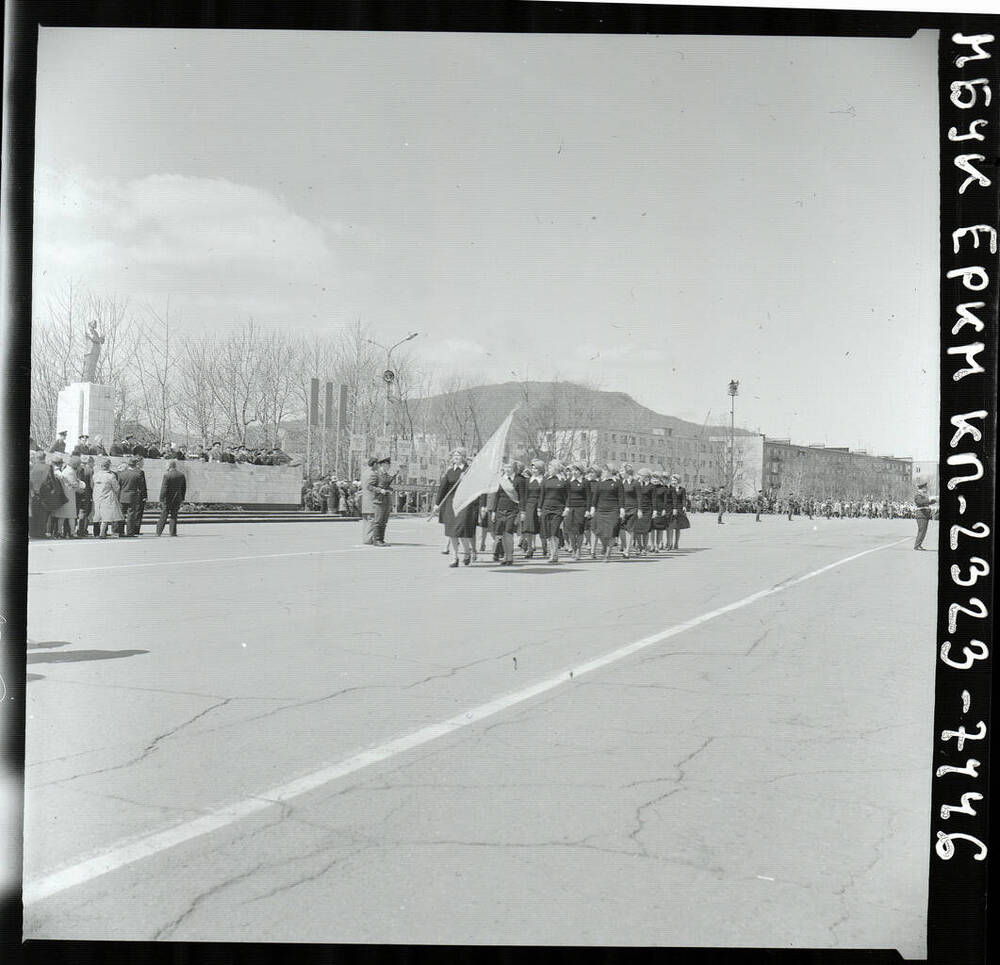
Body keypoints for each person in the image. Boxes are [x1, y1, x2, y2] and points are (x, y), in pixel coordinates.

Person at [433, 448, 476, 567]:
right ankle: (455, 557)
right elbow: (443, 488)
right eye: (454, 455)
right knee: (452, 531)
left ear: (463, 457)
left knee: (461, 531)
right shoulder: (450, 471)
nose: (455, 457)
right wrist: (437, 504)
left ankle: (467, 552)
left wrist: (466, 480)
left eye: (458, 455)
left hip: (464, 503)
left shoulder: (469, 471)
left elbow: (475, 487)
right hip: (451, 503)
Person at [489, 461, 524, 566]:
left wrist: (522, 512)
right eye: (505, 467)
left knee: (509, 533)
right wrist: (494, 511)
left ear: (514, 468)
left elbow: (522, 497)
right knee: (501, 534)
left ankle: (510, 556)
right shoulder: (501, 480)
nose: (507, 469)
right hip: (500, 509)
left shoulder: (519, 480)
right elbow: (496, 496)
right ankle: (505, 555)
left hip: (513, 510)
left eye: (509, 467)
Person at [589, 464, 623, 562]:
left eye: (605, 470)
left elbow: (621, 497)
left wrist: (622, 510)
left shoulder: (617, 482)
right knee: (599, 530)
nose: (603, 472)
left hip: (613, 510)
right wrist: (592, 508)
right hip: (601, 509)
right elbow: (595, 497)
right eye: (603, 470)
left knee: (611, 531)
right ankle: (604, 546)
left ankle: (608, 553)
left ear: (610, 471)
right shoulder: (600, 482)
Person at [539, 459, 569, 564]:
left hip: (558, 509)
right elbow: (542, 495)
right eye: (549, 467)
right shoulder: (545, 480)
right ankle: (553, 553)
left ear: (556, 468)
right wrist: (539, 508)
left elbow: (567, 496)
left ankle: (554, 554)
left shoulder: (563, 481)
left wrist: (566, 508)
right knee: (548, 532)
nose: (549, 469)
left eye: (551, 467)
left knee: (554, 531)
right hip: (546, 508)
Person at [49, 454, 84, 538]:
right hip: (69, 495)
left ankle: (59, 532)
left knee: (62, 516)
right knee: (71, 516)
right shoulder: (70, 472)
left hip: (65, 494)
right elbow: (74, 483)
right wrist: (81, 488)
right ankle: (72, 533)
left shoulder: (67, 470)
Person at [91, 457, 124, 538]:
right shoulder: (111, 476)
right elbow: (116, 488)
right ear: (109, 466)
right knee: (106, 515)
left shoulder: (95, 475)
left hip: (97, 496)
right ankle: (102, 533)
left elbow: (92, 486)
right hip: (107, 496)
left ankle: (96, 532)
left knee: (97, 515)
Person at [29, 451, 58, 538]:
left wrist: (33, 491)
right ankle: (41, 533)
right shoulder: (48, 467)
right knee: (43, 514)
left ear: (37, 458)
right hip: (45, 494)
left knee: (34, 514)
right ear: (44, 458)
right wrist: (54, 490)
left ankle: (33, 533)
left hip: (33, 494)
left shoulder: (32, 467)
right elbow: (52, 480)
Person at [563, 463, 590, 561]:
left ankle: (579, 550)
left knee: (579, 530)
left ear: (581, 471)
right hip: (570, 508)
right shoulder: (568, 482)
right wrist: (566, 508)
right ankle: (573, 549)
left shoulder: (585, 482)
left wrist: (587, 510)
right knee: (570, 529)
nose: (574, 472)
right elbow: (567, 496)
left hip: (581, 508)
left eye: (576, 470)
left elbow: (588, 497)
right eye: (573, 470)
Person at [117, 455, 148, 536]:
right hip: (132, 496)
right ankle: (130, 532)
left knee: (121, 514)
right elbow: (142, 487)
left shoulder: (121, 474)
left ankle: (120, 531)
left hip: (122, 496)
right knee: (131, 515)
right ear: (135, 464)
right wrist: (144, 496)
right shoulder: (137, 474)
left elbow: (118, 486)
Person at [157, 460, 187, 536]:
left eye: (166, 465)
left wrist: (161, 499)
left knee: (164, 515)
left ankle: (159, 531)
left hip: (167, 498)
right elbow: (183, 488)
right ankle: (173, 532)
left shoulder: (167, 475)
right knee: (174, 515)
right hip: (177, 498)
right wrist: (182, 498)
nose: (165, 467)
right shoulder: (181, 475)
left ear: (169, 466)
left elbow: (164, 488)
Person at [372, 456, 395, 546]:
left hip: (386, 500)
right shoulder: (376, 475)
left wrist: (390, 489)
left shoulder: (387, 476)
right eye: (386, 464)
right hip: (379, 500)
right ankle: (376, 540)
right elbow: (370, 486)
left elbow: (387, 486)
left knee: (384, 521)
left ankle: (381, 539)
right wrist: (379, 490)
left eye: (389, 464)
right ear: (381, 465)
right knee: (378, 521)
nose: (388, 466)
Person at [359, 457, 380, 545]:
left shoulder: (364, 473)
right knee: (372, 520)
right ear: (375, 464)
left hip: (365, 501)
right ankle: (369, 539)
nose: (378, 466)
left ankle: (366, 538)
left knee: (366, 521)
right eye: (378, 464)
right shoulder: (373, 474)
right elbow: (371, 487)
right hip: (372, 500)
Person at [666, 474, 690, 550]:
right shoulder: (668, 488)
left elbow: (683, 498)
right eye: (672, 480)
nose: (673, 482)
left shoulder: (682, 489)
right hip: (670, 508)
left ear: (678, 481)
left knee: (677, 527)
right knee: (670, 527)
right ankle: (669, 543)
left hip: (679, 509)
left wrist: (684, 506)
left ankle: (676, 543)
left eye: (675, 480)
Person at [74, 455, 94, 537]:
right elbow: (91, 484)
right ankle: (81, 530)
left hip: (76, 493)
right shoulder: (89, 470)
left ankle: (71, 530)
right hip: (86, 494)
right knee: (84, 512)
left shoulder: (75, 469)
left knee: (75, 512)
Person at [913, 481, 937, 551]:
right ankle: (917, 545)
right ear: (922, 488)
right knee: (922, 531)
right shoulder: (918, 495)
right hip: (921, 515)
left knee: (923, 531)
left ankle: (919, 545)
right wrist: (929, 499)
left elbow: (927, 502)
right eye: (925, 487)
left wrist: (934, 500)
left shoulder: (923, 496)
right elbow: (920, 502)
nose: (926, 489)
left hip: (925, 515)